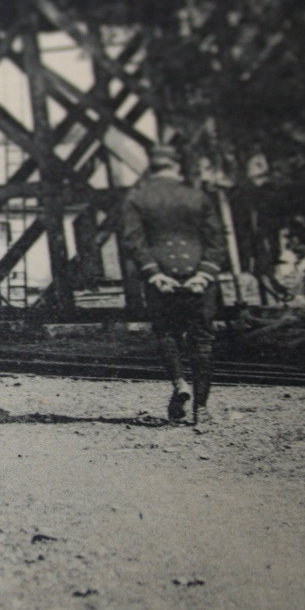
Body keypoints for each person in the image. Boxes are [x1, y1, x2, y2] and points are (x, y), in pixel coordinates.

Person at [120, 144, 226, 424]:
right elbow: (217, 242)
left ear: (151, 167)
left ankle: (180, 384)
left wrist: (154, 274)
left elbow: (134, 241)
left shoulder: (138, 198)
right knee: (202, 341)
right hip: (198, 280)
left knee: (167, 334)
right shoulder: (197, 197)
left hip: (161, 279)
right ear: (177, 167)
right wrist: (203, 275)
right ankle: (201, 410)